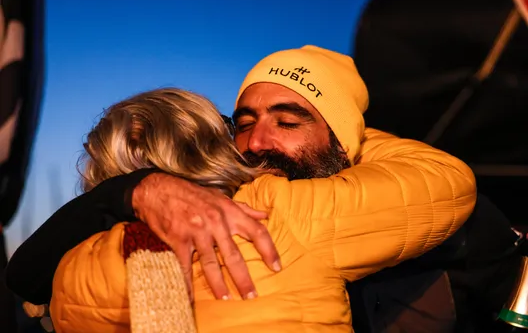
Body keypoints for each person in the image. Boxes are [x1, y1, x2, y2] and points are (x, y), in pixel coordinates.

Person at [6, 46, 477, 322]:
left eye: (288, 123)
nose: (255, 144)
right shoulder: (274, 214)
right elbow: (441, 176)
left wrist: (130, 189)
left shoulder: (69, 271)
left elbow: (25, 275)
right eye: (243, 123)